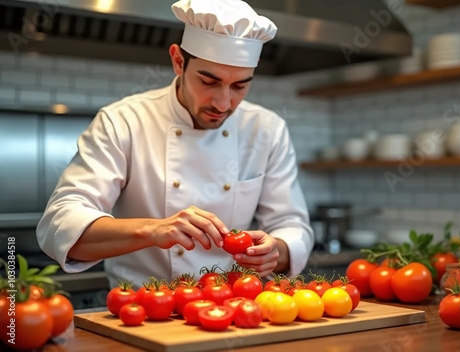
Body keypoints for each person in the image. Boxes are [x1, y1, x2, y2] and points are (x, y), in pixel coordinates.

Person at [36, 0, 313, 288]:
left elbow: (293, 226)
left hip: (229, 310)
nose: (223, 103)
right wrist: (153, 229)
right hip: (142, 310)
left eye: (240, 86)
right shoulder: (123, 121)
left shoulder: (266, 129)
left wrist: (275, 251)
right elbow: (59, 225)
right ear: (178, 61)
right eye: (208, 81)